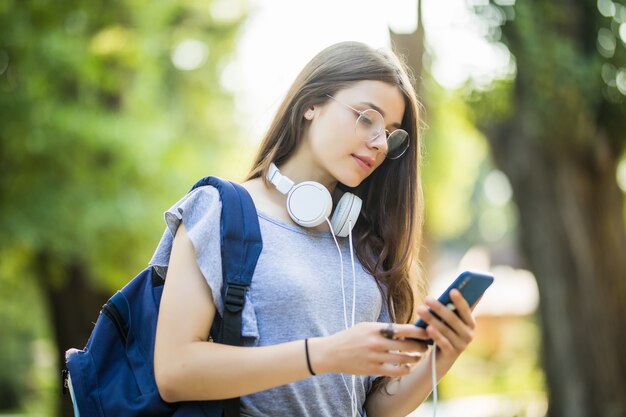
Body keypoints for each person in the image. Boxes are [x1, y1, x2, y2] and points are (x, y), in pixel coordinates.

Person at [150, 41, 477, 417]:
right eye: (367, 118)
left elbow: (373, 407)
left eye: (390, 132)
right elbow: (174, 371)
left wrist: (442, 354)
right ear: (311, 105)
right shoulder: (219, 209)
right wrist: (325, 354)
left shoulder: (363, 240)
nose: (379, 144)